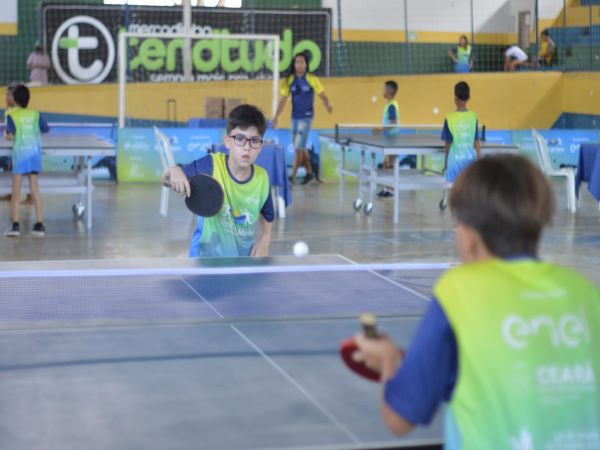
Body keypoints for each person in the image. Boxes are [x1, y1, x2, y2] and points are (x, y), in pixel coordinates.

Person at [356, 154, 600, 448]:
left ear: (469, 235)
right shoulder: (583, 292)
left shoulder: (459, 290)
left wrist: (389, 360)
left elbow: (400, 419)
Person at [162, 104, 274, 257]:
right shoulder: (211, 165)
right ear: (227, 141)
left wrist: (265, 239)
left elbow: (267, 213)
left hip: (241, 260)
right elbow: (166, 179)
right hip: (204, 259)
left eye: (254, 140)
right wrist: (175, 171)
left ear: (261, 146)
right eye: (240, 139)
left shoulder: (262, 178)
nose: (247, 147)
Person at [272, 51, 333, 185]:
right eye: (297, 62)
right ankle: (310, 173)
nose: (300, 65)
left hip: (307, 117)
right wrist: (276, 116)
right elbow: (283, 100)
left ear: (306, 64)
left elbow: (322, 94)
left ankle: (292, 177)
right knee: (301, 147)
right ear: (294, 64)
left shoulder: (312, 79)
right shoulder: (290, 80)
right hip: (294, 117)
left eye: (302, 62)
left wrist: (327, 104)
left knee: (298, 148)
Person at [3, 84, 50, 237]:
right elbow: (45, 128)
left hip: (20, 156)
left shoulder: (12, 115)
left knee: (16, 192)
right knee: (34, 188)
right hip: (34, 155)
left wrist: (8, 136)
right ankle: (40, 225)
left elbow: (10, 135)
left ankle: (15, 226)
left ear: (14, 99)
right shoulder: (35, 114)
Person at [441, 81, 480, 186]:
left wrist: (446, 163)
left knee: (454, 195)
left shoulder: (449, 118)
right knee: (468, 193)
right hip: (470, 163)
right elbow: (476, 142)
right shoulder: (473, 117)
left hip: (454, 164)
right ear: (469, 97)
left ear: (455, 97)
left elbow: (448, 144)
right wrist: (479, 161)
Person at [376, 80, 400, 198]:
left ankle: (392, 190)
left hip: (392, 139)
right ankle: (386, 188)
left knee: (390, 165)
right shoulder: (388, 104)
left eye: (384, 89)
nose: (383, 91)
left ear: (389, 91)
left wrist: (381, 130)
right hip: (388, 139)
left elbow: (393, 123)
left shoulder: (391, 106)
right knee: (386, 164)